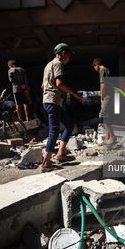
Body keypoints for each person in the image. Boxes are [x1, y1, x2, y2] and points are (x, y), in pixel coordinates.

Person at [41, 43, 83, 172]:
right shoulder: (58, 64)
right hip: (53, 101)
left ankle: (60, 154)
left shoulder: (48, 65)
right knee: (54, 131)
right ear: (64, 53)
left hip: (52, 101)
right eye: (69, 55)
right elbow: (59, 83)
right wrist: (75, 94)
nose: (69, 58)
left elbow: (43, 85)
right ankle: (46, 164)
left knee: (69, 125)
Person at [92, 57, 116, 145]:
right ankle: (107, 137)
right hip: (111, 95)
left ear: (97, 65)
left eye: (94, 67)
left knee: (102, 115)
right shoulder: (107, 70)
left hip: (107, 96)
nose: (95, 70)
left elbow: (103, 85)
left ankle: (113, 136)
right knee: (107, 116)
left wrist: (101, 98)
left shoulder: (102, 70)